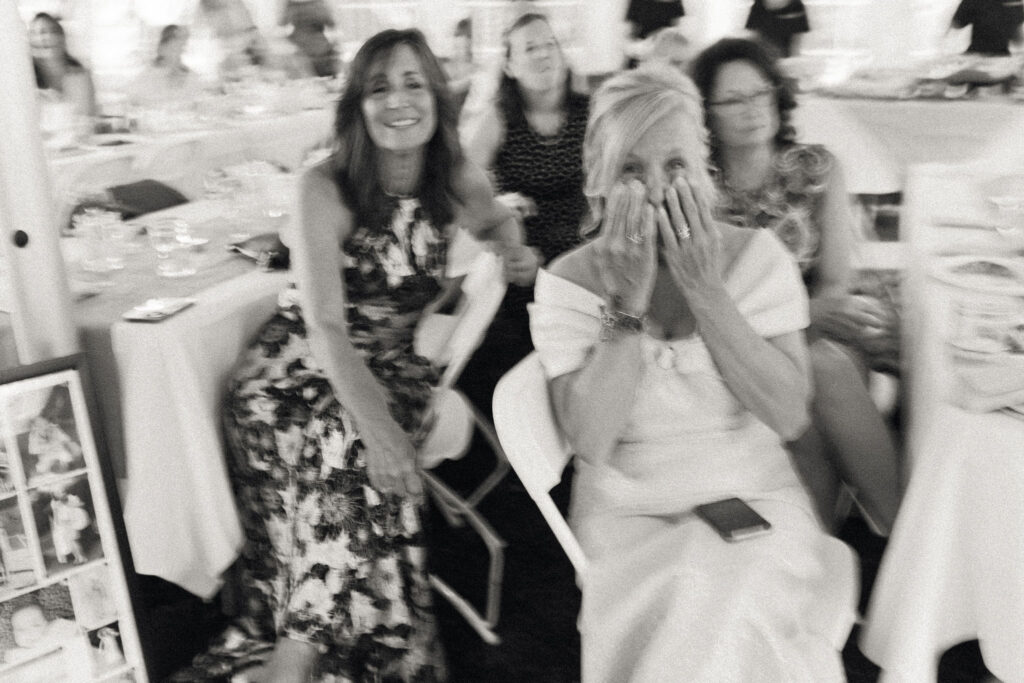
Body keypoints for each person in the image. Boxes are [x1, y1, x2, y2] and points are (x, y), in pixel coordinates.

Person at [199, 28, 523, 683]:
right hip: (289, 372)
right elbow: (323, 324)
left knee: (351, 437)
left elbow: (497, 220)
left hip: (391, 361)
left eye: (413, 83)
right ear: (356, 104)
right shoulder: (324, 183)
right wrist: (376, 426)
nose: (398, 101)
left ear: (437, 95)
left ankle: (305, 651)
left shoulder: (455, 175)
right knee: (350, 437)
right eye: (379, 87)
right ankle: (311, 652)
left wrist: (513, 250)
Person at [530, 64, 858, 681]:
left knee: (729, 593)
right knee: (690, 592)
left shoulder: (759, 259)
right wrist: (625, 307)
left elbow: (788, 414)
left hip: (755, 500)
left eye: (674, 166)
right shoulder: (570, 282)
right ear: (600, 181)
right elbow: (592, 442)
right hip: (630, 515)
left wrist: (707, 293)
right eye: (632, 169)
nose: (656, 191)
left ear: (704, 170)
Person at [691, 37, 901, 534]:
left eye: (760, 93)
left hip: (819, 336)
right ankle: (888, 534)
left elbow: (834, 284)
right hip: (736, 348)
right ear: (708, 114)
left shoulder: (816, 169)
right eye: (734, 100)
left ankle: (877, 532)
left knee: (823, 367)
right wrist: (800, 321)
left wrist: (803, 322)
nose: (752, 109)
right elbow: (701, 308)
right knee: (814, 381)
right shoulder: (699, 191)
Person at [458, 11, 590, 418]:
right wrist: (500, 213)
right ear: (510, 66)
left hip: (584, 244)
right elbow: (462, 193)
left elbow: (615, 184)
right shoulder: (499, 119)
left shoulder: (592, 112)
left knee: (605, 305)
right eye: (530, 47)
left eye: (550, 43)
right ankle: (534, 416)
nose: (545, 53)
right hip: (522, 250)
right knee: (505, 331)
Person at [28, 12, 97, 119]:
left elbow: (88, 118)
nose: (42, 39)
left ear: (62, 39)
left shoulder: (79, 77)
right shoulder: (26, 82)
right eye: (33, 33)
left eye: (46, 32)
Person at [125, 25, 205, 107]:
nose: (176, 53)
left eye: (181, 47)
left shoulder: (191, 77)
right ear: (161, 49)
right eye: (172, 48)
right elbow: (134, 103)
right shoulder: (145, 78)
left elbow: (198, 104)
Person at [280, 0, 340, 78]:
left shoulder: (292, 5)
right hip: (319, 49)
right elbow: (331, 24)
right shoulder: (319, 4)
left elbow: (282, 24)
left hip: (302, 49)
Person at [948, 0, 1024, 55]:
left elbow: (956, 24)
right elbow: (1017, 40)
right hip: (1002, 58)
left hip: (975, 56)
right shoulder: (1015, 2)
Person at [745, 0, 810, 58]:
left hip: (780, 56)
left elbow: (796, 43)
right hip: (763, 55)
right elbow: (754, 35)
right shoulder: (759, 6)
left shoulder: (796, 7)